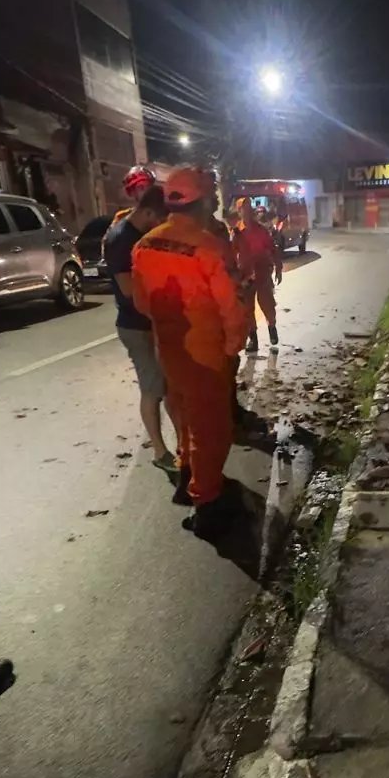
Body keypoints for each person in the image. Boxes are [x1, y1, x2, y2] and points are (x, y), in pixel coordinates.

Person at [131, 166, 250, 537]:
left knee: (185, 420)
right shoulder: (209, 247)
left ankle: (187, 477)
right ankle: (207, 504)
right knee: (211, 430)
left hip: (170, 350)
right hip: (206, 355)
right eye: (212, 199)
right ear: (203, 203)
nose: (214, 205)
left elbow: (142, 303)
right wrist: (232, 347)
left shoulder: (144, 244)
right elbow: (232, 308)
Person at [102, 184, 177, 472]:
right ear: (147, 212)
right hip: (136, 327)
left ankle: (182, 443)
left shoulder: (139, 235)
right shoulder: (121, 239)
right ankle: (159, 451)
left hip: (151, 323)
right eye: (159, 219)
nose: (160, 226)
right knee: (152, 389)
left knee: (166, 386)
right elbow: (129, 289)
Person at [233, 199, 282, 354]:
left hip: (262, 272)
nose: (247, 211)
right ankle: (253, 339)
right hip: (245, 275)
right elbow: (231, 253)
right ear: (239, 211)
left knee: (267, 304)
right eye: (244, 208)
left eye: (249, 208)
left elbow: (272, 248)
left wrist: (278, 267)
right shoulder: (237, 232)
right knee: (247, 309)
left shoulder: (261, 230)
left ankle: (272, 327)